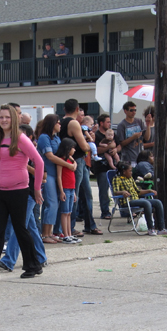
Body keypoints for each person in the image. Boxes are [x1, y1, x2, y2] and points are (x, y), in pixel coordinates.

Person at [0, 105, 44, 282]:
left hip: (19, 191)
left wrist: (36, 189)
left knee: (20, 229)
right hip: (0, 192)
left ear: (13, 119)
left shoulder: (21, 139)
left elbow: (39, 162)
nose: (4, 120)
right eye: (1, 117)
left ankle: (32, 265)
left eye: (7, 117)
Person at [0, 124, 47, 269]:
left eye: (22, 135)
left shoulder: (32, 151)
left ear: (30, 137)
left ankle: (9, 260)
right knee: (30, 227)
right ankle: (41, 257)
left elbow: (43, 175)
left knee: (17, 227)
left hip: (30, 193)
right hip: (18, 192)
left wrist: (24, 165)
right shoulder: (13, 149)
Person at [60, 99, 101, 236]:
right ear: (77, 109)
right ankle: (71, 228)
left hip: (74, 160)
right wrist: (90, 143)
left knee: (84, 194)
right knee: (76, 195)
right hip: (77, 160)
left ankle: (89, 225)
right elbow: (84, 146)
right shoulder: (73, 123)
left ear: (64, 109)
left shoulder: (61, 122)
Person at [112, 161, 167, 236]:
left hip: (136, 200)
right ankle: (150, 228)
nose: (131, 173)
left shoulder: (130, 178)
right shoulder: (117, 179)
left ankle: (161, 228)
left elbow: (138, 191)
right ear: (124, 172)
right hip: (127, 202)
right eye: (130, 171)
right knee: (146, 203)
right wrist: (122, 192)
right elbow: (115, 191)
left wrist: (149, 190)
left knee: (157, 202)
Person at [36, 114, 67, 243]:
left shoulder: (57, 139)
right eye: (58, 123)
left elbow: (61, 153)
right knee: (51, 203)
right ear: (52, 124)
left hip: (56, 175)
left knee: (54, 204)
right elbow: (50, 156)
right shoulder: (44, 137)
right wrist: (68, 165)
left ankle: (50, 232)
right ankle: (45, 234)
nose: (60, 125)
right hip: (47, 174)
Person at [56, 138, 80, 243]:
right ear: (67, 148)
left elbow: (74, 167)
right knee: (64, 212)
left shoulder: (71, 159)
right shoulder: (61, 160)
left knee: (69, 212)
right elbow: (59, 176)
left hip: (71, 188)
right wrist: (61, 191)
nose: (74, 150)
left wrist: (74, 192)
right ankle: (65, 235)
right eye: (73, 148)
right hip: (65, 188)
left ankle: (69, 234)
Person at [94, 114, 118, 219]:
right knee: (103, 190)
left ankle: (124, 209)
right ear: (101, 123)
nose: (109, 124)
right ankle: (105, 211)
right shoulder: (97, 135)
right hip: (102, 167)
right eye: (107, 122)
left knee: (118, 188)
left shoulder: (112, 133)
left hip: (113, 166)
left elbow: (118, 144)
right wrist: (109, 147)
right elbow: (97, 150)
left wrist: (115, 150)